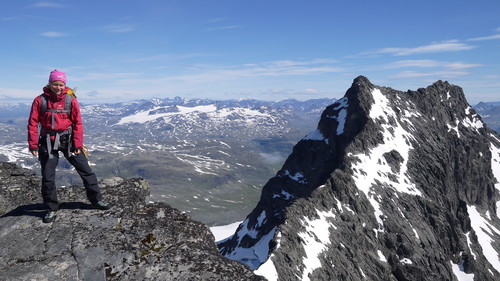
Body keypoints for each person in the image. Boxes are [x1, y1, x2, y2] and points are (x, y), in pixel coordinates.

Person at [27, 69, 112, 223]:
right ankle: (51, 208)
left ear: (64, 85)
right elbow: (32, 123)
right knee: (47, 176)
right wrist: (33, 145)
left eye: (61, 84)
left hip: (69, 141)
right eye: (55, 84)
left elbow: (78, 122)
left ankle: (96, 200)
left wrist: (78, 143)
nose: (58, 87)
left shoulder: (70, 99)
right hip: (48, 141)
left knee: (85, 170)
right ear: (50, 83)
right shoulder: (40, 100)